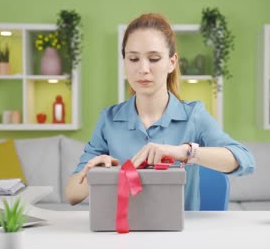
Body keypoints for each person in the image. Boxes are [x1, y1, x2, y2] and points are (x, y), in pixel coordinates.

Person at [65, 13, 256, 210]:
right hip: (124, 235)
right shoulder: (108, 120)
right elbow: (72, 195)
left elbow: (245, 160)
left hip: (178, 236)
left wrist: (184, 152)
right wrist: (98, 173)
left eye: (154, 58)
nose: (143, 69)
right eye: (133, 59)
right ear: (125, 63)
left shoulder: (194, 116)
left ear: (172, 62)